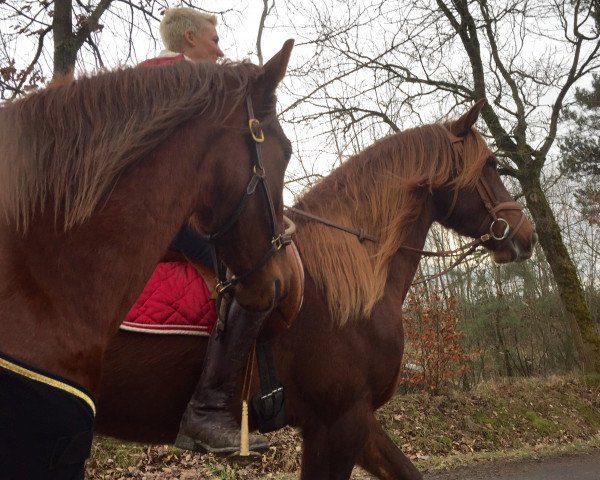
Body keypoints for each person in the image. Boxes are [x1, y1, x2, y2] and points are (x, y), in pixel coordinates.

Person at [131, 7, 270, 454]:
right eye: (214, 37)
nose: (220, 46)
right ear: (189, 38)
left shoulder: (151, 79)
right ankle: (208, 410)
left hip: (156, 211)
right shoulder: (182, 82)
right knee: (244, 278)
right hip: (161, 217)